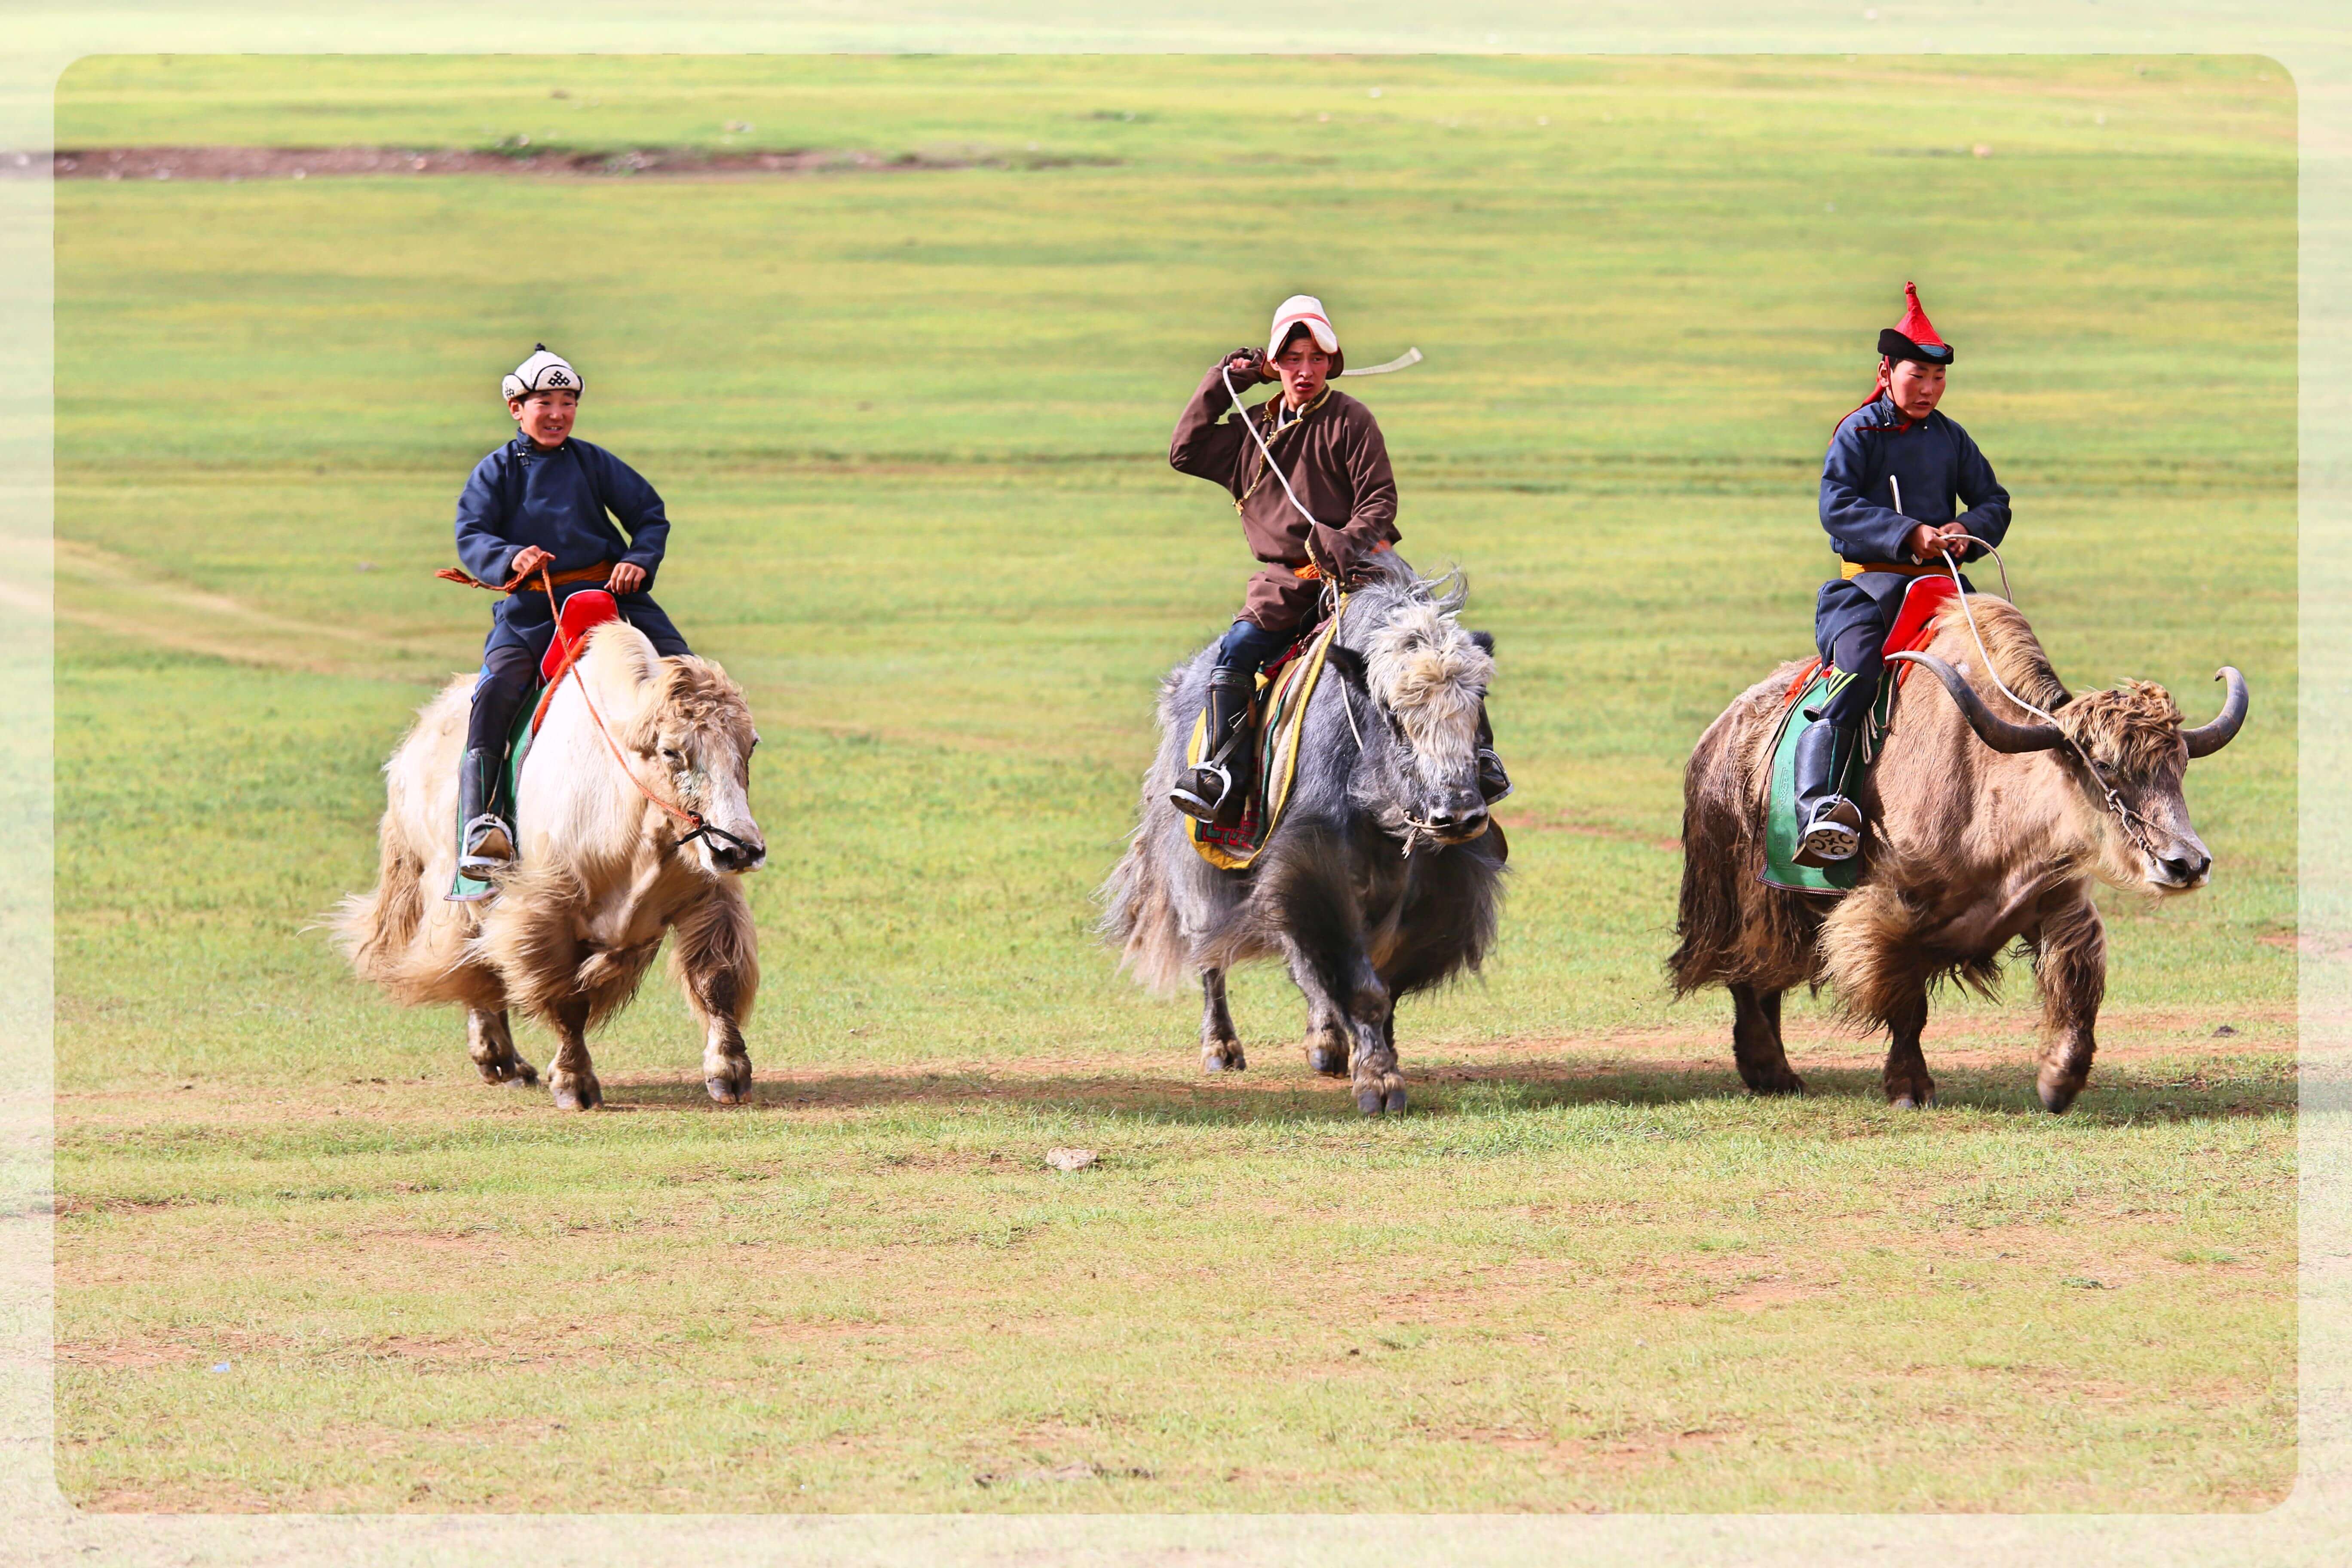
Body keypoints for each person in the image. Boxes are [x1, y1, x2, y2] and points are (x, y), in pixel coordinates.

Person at [1166, 295, 1508, 823]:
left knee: (1443, 653)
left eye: (1317, 359)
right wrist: (1223, 378)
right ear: (1274, 364)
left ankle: (1481, 760)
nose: (1305, 371)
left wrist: (1345, 541)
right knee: (1234, 654)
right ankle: (1219, 774)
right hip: (1286, 584)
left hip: (1365, 572)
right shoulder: (1252, 431)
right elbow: (1185, 451)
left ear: (1331, 363)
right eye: (1293, 359)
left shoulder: (1351, 419)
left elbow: (1380, 501)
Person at [448, 346, 692, 887]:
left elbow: (650, 516)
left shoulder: (593, 462)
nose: (557, 413)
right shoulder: (496, 472)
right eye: (543, 402)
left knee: (692, 682)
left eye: (568, 402)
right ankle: (483, 825)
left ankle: (712, 813)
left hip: (613, 598)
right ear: (516, 407)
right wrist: (511, 556)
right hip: (534, 610)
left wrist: (636, 559)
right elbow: (472, 534)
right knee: (495, 693)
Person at [1798, 283, 2012, 864]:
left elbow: (1996, 500)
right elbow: (1835, 505)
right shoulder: (1859, 432)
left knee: (2005, 667)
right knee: (1859, 671)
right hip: (1869, 590)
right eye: (1918, 376)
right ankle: (1815, 805)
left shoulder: (1950, 437)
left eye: (1938, 380)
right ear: (1888, 370)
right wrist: (1908, 533)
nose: (1929, 390)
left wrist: (1965, 531)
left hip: (1943, 589)